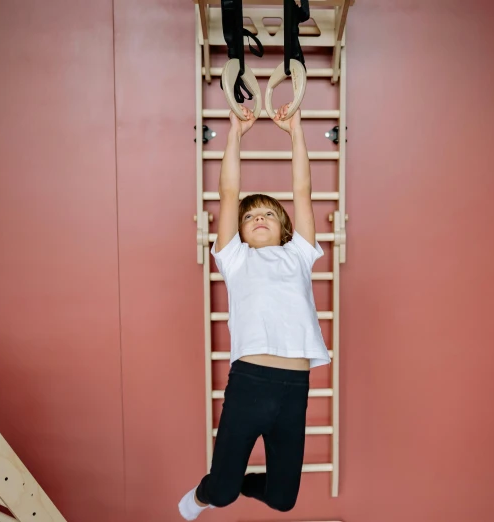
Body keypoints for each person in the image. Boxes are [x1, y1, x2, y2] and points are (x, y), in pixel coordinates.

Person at [178, 103, 331, 520]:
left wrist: (296, 130)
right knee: (221, 494)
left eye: (267, 214)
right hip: (250, 384)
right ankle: (210, 489)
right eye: (250, 216)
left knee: (283, 499)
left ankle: (230, 479)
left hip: (294, 388)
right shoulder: (235, 258)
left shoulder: (298, 254)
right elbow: (229, 192)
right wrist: (235, 133)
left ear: (285, 228)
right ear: (240, 231)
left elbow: (303, 191)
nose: (258, 217)